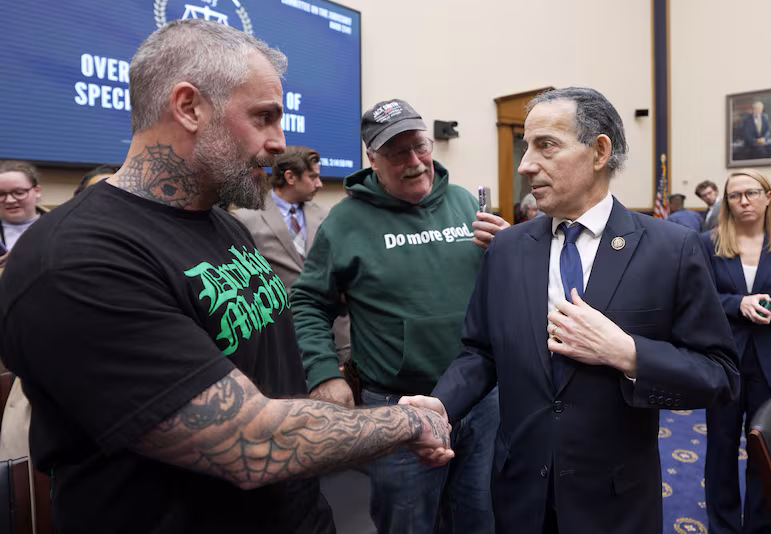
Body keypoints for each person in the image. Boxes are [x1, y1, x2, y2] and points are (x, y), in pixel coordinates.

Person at [0, 20, 452, 534]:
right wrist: (409, 420)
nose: (280, 143)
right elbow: (252, 443)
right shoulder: (76, 260)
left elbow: (270, 380)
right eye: (264, 117)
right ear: (189, 107)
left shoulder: (223, 225)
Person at [402, 87, 740, 534]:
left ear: (599, 151)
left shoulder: (671, 250)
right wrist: (441, 406)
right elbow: (480, 352)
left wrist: (628, 353)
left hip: (616, 501)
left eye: (546, 146)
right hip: (520, 492)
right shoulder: (506, 249)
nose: (525, 165)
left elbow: (720, 376)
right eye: (526, 147)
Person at [292, 98, 508, 533]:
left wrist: (508, 252)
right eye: (396, 152)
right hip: (398, 410)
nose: (414, 162)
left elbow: (496, 294)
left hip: (480, 403)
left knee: (480, 519)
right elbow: (309, 303)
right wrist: (323, 372)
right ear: (372, 160)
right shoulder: (344, 224)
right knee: (408, 524)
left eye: (420, 147)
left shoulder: (466, 204)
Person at [702, 169, 771, 534]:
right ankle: (723, 526)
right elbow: (699, 300)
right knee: (720, 450)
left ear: (767, 197)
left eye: (751, 193)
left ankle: (759, 526)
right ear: (726, 202)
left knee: (765, 451)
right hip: (723, 360)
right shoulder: (707, 244)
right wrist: (737, 304)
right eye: (734, 195)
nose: (743, 201)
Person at [233, 146, 350, 363]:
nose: (319, 184)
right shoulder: (245, 219)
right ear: (290, 177)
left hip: (332, 337)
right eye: (313, 177)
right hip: (278, 339)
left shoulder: (327, 215)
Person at [0, 160, 45, 269]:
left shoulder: (61, 229)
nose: (10, 200)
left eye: (19, 193)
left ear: (37, 191)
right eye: (1, 194)